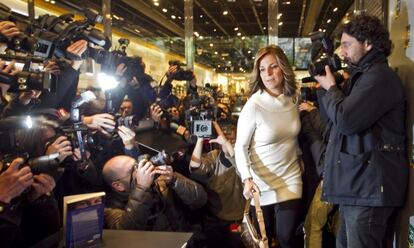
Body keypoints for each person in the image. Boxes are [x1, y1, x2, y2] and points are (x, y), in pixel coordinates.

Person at [314, 14, 408, 248]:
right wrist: (326, 88)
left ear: (368, 43)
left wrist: (332, 88)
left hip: (369, 189)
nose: (342, 52)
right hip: (358, 187)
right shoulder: (363, 77)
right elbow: (332, 120)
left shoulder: (379, 77)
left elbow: (347, 120)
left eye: (347, 45)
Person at [234, 45, 303, 248]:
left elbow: (291, 136)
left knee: (286, 238)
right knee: (264, 240)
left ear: (283, 68)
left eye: (273, 67)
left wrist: (299, 156)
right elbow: (240, 146)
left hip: (291, 177)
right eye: (262, 69)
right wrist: (246, 179)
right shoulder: (254, 105)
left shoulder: (292, 99)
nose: (268, 74)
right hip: (261, 184)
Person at [102, 155, 207, 247]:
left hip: (186, 241)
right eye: (132, 170)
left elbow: (200, 200)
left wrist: (174, 180)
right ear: (118, 186)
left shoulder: (160, 181)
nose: (141, 170)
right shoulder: (110, 208)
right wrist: (142, 188)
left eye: (137, 165)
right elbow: (127, 233)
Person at [189, 122, 245, 248]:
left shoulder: (243, 159)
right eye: (226, 139)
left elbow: (241, 169)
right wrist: (199, 140)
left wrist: (226, 144)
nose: (229, 142)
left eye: (233, 140)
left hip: (236, 220)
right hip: (214, 219)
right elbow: (195, 167)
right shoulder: (214, 156)